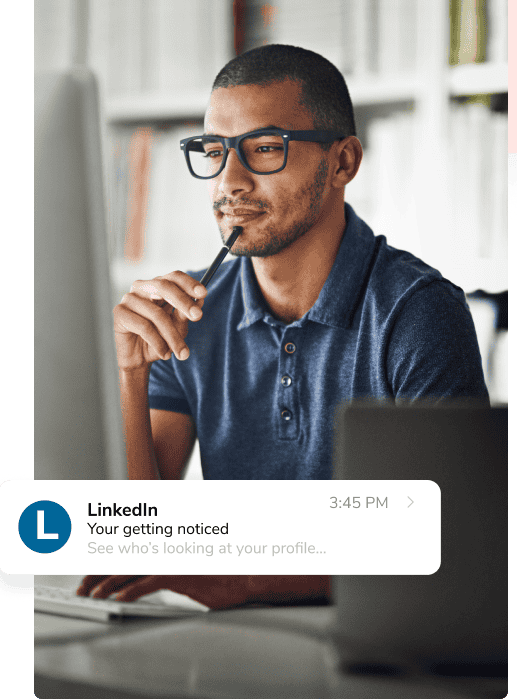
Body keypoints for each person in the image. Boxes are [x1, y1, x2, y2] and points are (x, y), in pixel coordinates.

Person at [78, 44, 488, 608]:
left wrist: (244, 580)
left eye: (265, 149)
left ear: (343, 162)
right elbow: (137, 539)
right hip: (227, 642)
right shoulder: (185, 315)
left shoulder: (417, 311)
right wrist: (127, 372)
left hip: (369, 647)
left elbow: (450, 546)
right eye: (214, 152)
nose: (230, 183)